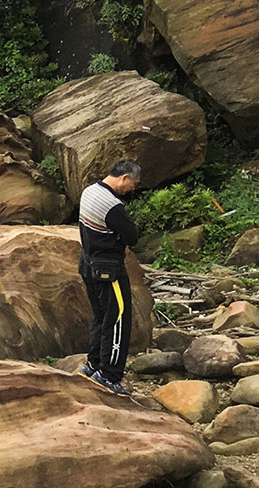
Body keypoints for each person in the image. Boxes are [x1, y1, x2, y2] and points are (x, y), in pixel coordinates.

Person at [78, 160, 143, 396]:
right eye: (132, 184)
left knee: (100, 316)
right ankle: (109, 375)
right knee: (118, 320)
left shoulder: (89, 191)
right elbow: (132, 236)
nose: (132, 189)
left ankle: (93, 364)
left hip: (88, 263)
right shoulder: (112, 205)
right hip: (109, 270)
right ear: (124, 178)